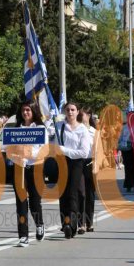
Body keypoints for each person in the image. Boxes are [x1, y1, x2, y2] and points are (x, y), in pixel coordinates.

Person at [5, 101, 47, 247]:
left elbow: (43, 149)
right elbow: (8, 149)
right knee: (21, 202)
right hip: (19, 167)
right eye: (23, 110)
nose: (25, 113)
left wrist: (28, 154)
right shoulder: (16, 128)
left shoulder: (40, 128)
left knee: (35, 201)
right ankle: (23, 235)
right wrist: (16, 157)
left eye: (28, 110)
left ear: (33, 111)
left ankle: (39, 224)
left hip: (35, 167)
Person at [55, 102, 91, 239]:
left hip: (77, 164)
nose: (70, 112)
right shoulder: (59, 126)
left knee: (73, 193)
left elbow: (84, 152)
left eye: (73, 110)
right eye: (68, 110)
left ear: (77, 112)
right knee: (63, 193)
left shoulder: (82, 129)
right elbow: (53, 144)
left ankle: (72, 224)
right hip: (62, 162)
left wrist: (65, 151)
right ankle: (65, 223)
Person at [78, 108, 97, 234]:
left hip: (91, 162)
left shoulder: (94, 131)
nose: (80, 116)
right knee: (81, 193)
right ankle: (81, 224)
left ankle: (89, 222)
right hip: (79, 161)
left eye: (82, 114)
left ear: (89, 115)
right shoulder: (77, 129)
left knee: (90, 194)